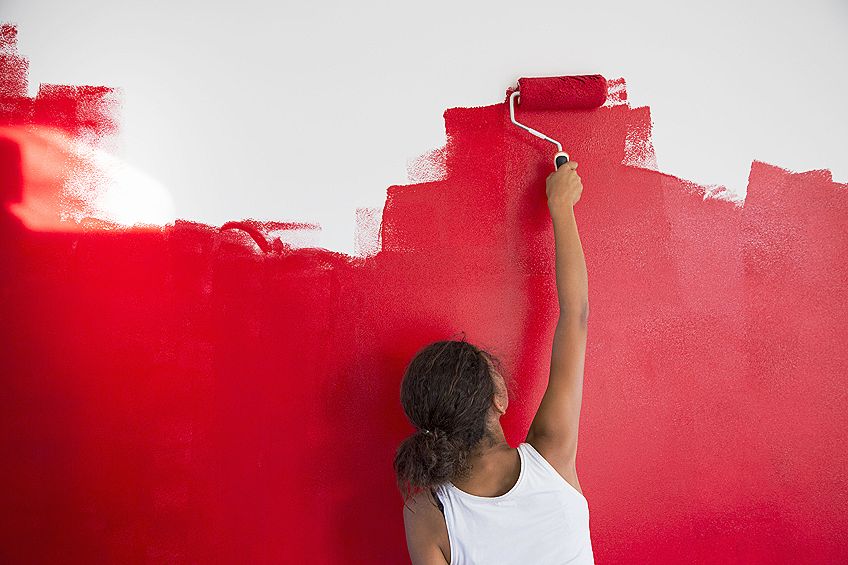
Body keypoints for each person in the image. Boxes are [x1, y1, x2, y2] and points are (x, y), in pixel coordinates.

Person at [394, 161, 593, 564]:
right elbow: (575, 315)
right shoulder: (550, 456)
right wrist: (561, 208)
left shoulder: (426, 516)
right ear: (498, 399)